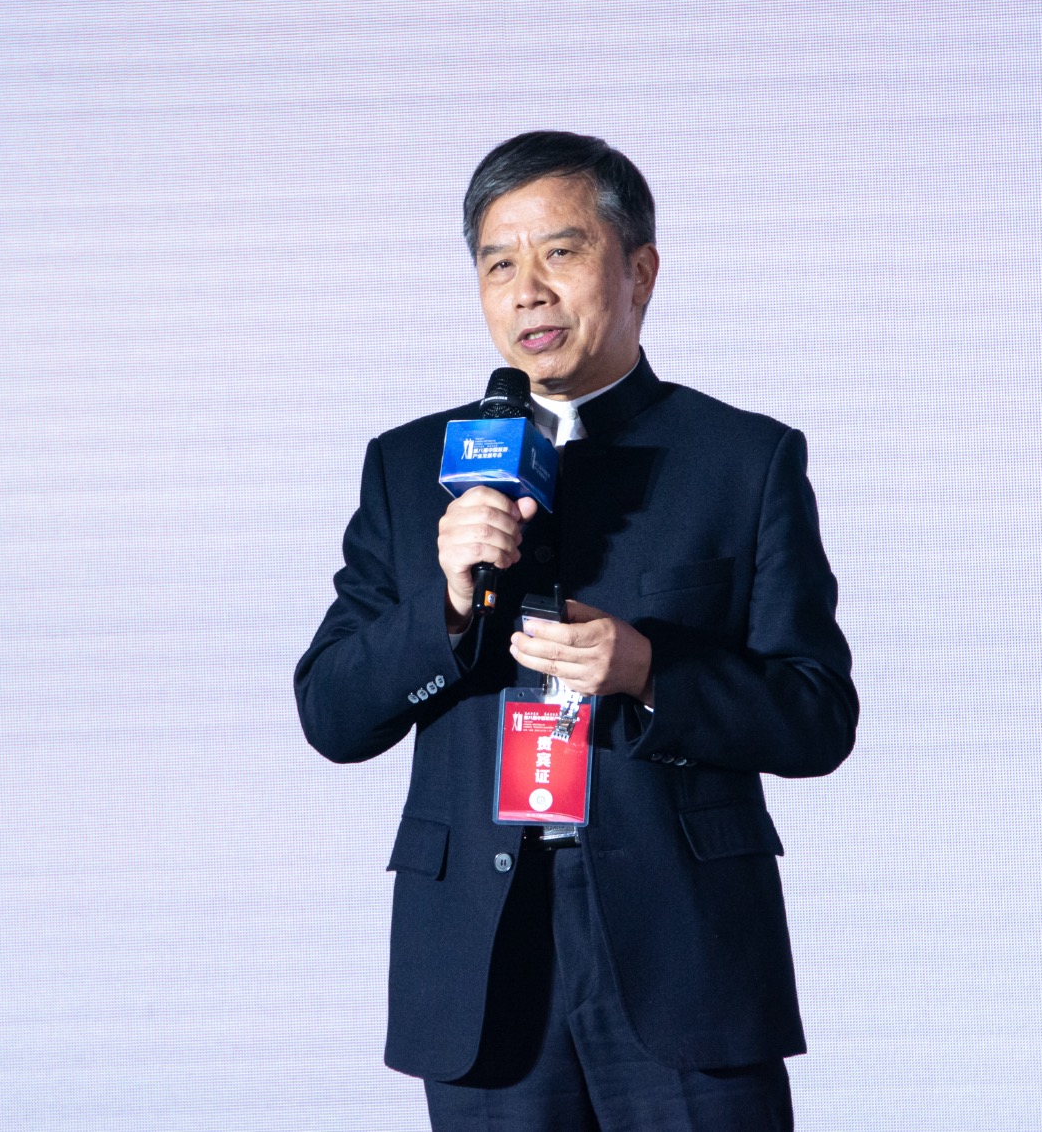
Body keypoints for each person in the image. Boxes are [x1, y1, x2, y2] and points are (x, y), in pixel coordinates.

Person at [295, 131, 856, 1131]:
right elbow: (331, 712)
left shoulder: (743, 458)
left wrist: (649, 670)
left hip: (683, 948)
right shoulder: (411, 466)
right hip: (482, 953)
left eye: (559, 252)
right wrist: (445, 608)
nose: (528, 291)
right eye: (498, 264)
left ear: (639, 270)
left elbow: (816, 715)